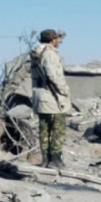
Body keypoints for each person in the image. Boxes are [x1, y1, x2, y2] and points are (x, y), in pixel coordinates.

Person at [31, 29, 71, 168]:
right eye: (57, 39)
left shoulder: (37, 53)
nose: (58, 41)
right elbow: (53, 75)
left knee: (44, 129)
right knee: (58, 128)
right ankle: (55, 159)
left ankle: (46, 160)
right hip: (52, 96)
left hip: (41, 95)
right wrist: (64, 90)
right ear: (53, 40)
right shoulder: (49, 54)